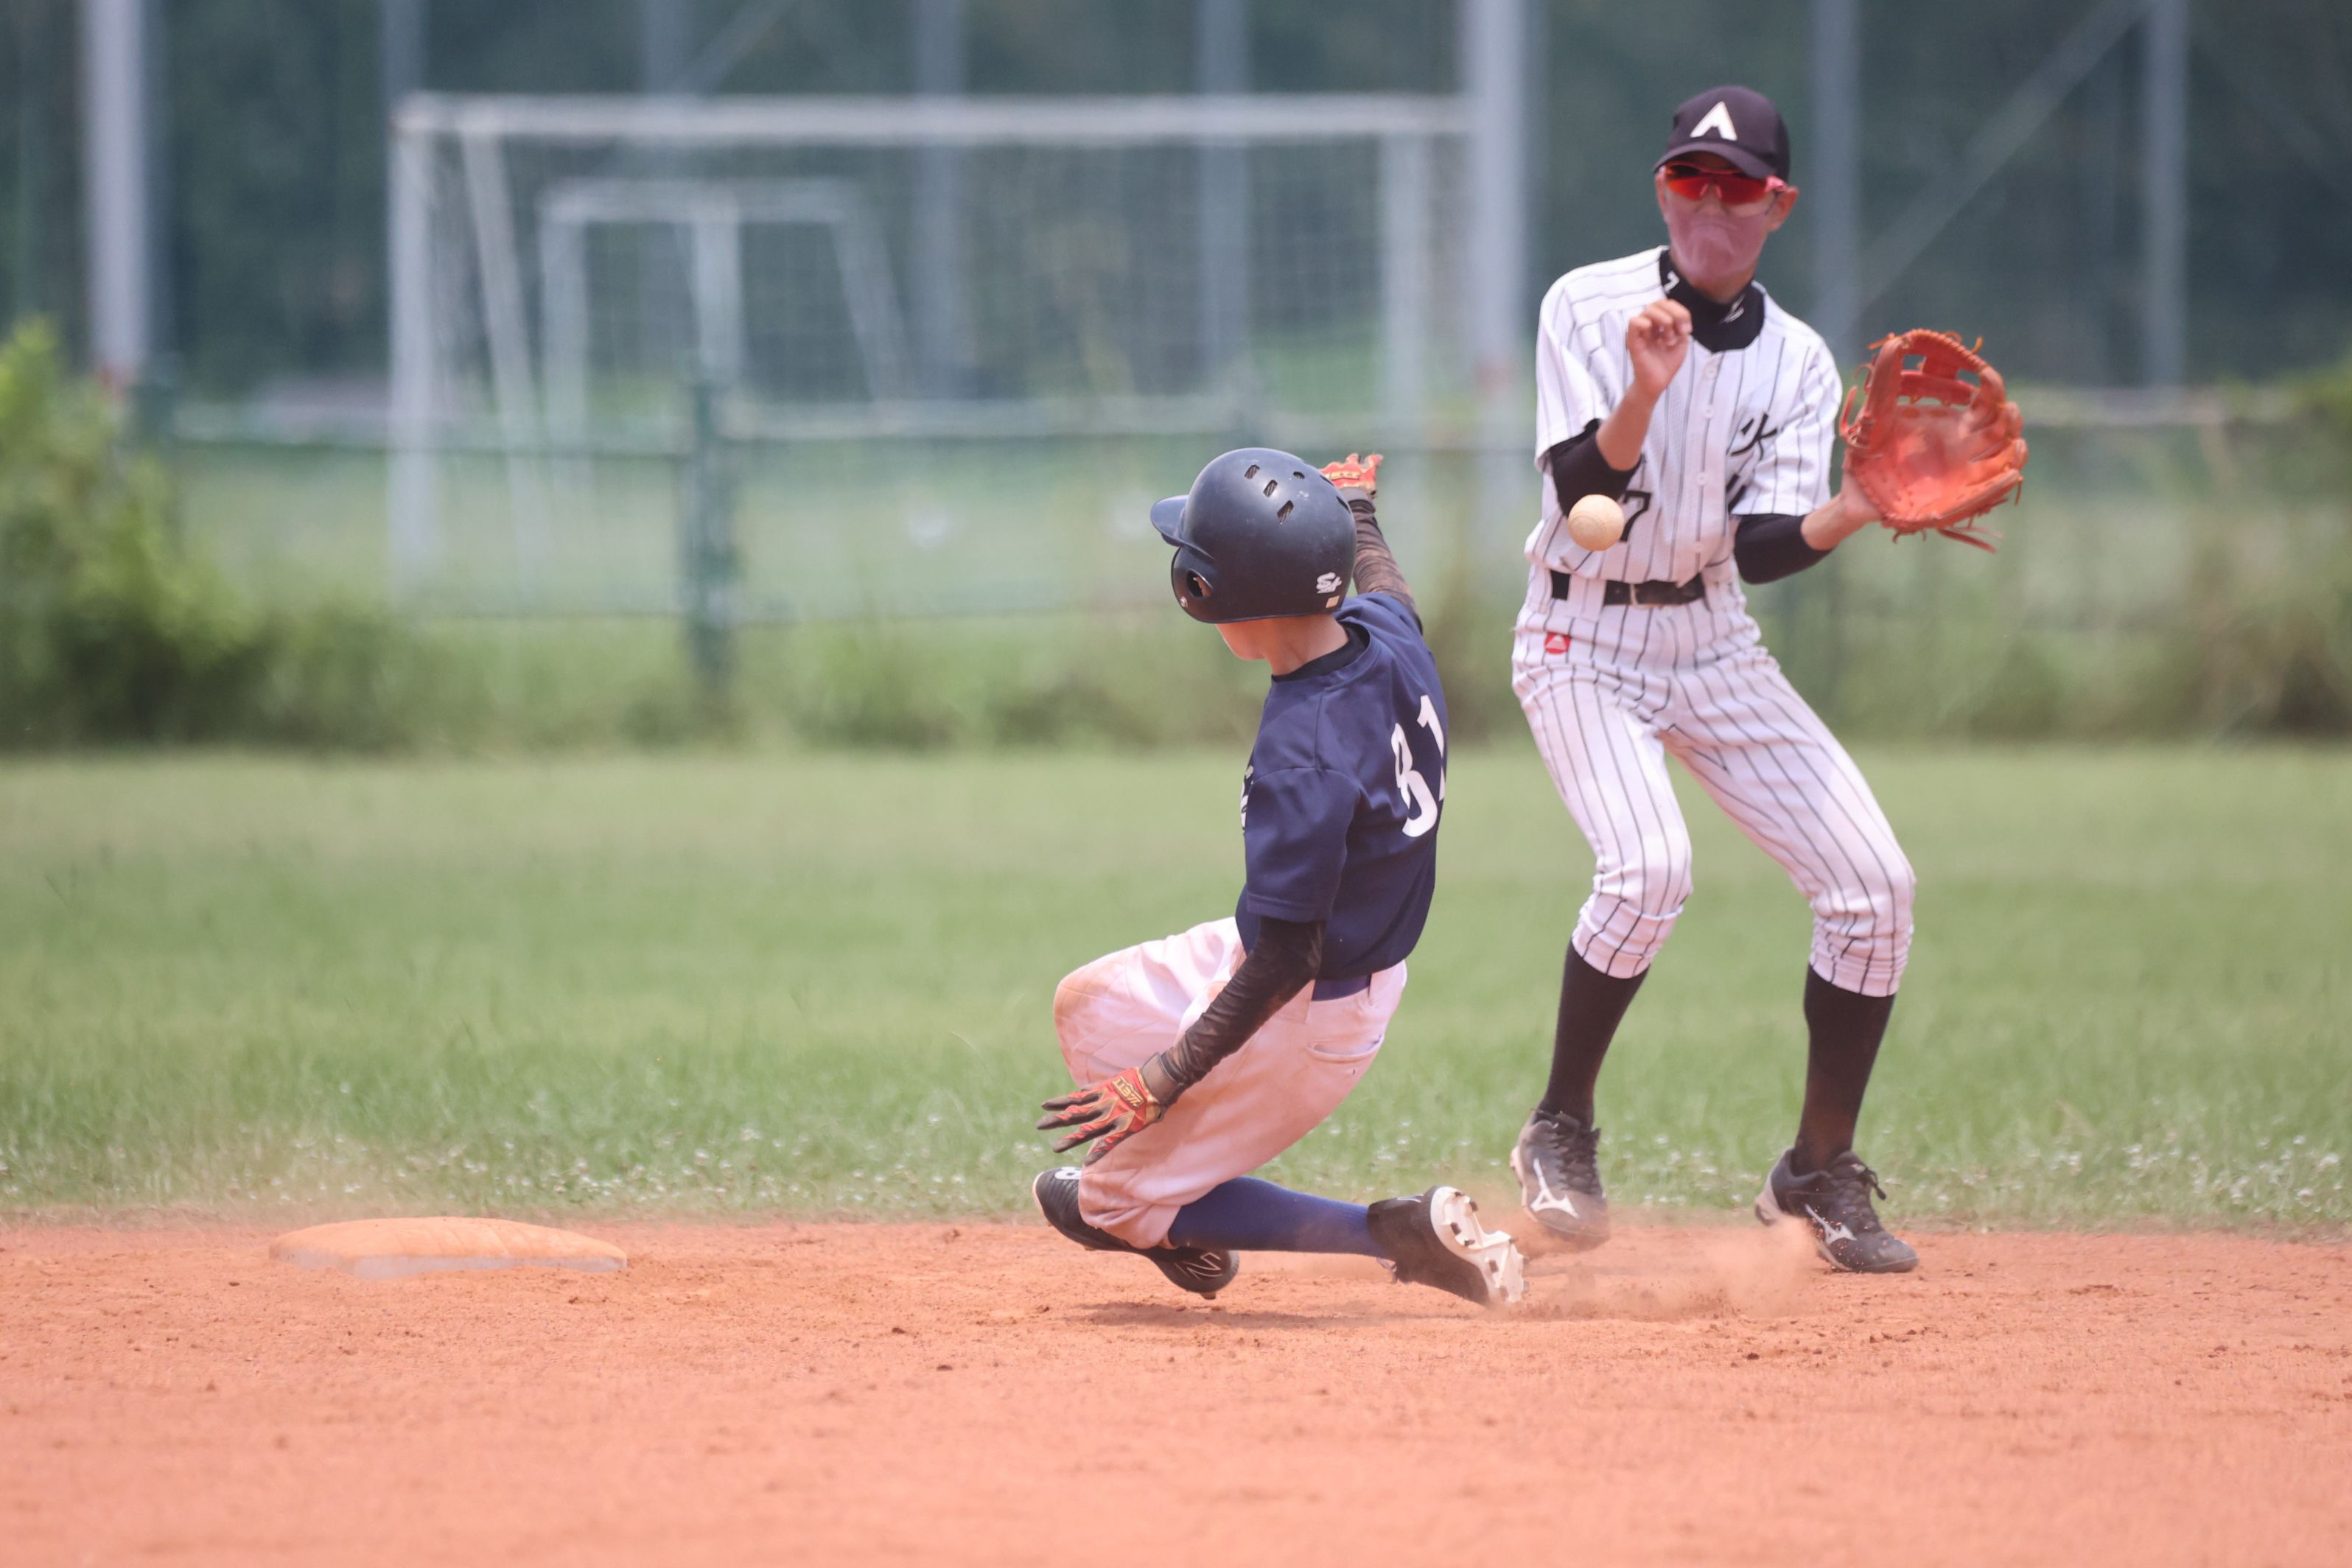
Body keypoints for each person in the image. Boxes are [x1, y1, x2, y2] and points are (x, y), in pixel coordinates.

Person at [1507, 85, 1920, 1273]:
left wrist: (1852, 508)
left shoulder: (1797, 362)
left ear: (1777, 206)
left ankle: (1816, 1172)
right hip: (1580, 637)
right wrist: (1644, 389)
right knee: (1649, 870)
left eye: (1739, 188)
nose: (1713, 204)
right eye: (1693, 179)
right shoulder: (1587, 305)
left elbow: (1762, 546)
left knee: (1875, 889)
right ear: (1663, 190)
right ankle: (1560, 1128)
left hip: (1715, 639)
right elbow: (1582, 500)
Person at [1032, 449, 1525, 1308]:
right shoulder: (1386, 637)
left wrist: (1164, 1077)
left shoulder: (1306, 752)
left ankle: (1396, 1234)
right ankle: (1178, 1201)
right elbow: (1388, 585)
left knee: (1105, 1205)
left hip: (1306, 1005)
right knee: (1088, 1006)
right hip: (1293, 953)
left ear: (1207, 593)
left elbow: (1289, 957)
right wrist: (1359, 511)